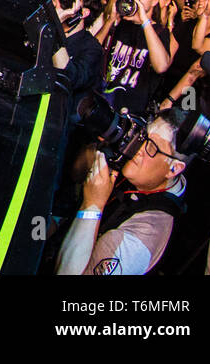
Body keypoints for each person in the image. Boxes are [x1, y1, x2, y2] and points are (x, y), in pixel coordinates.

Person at [56, 108, 190, 275]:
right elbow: (76, 172)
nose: (139, 148)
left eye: (151, 146)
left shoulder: (142, 239)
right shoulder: (146, 173)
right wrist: (98, 149)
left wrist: (92, 205)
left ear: (173, 168)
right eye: (143, 136)